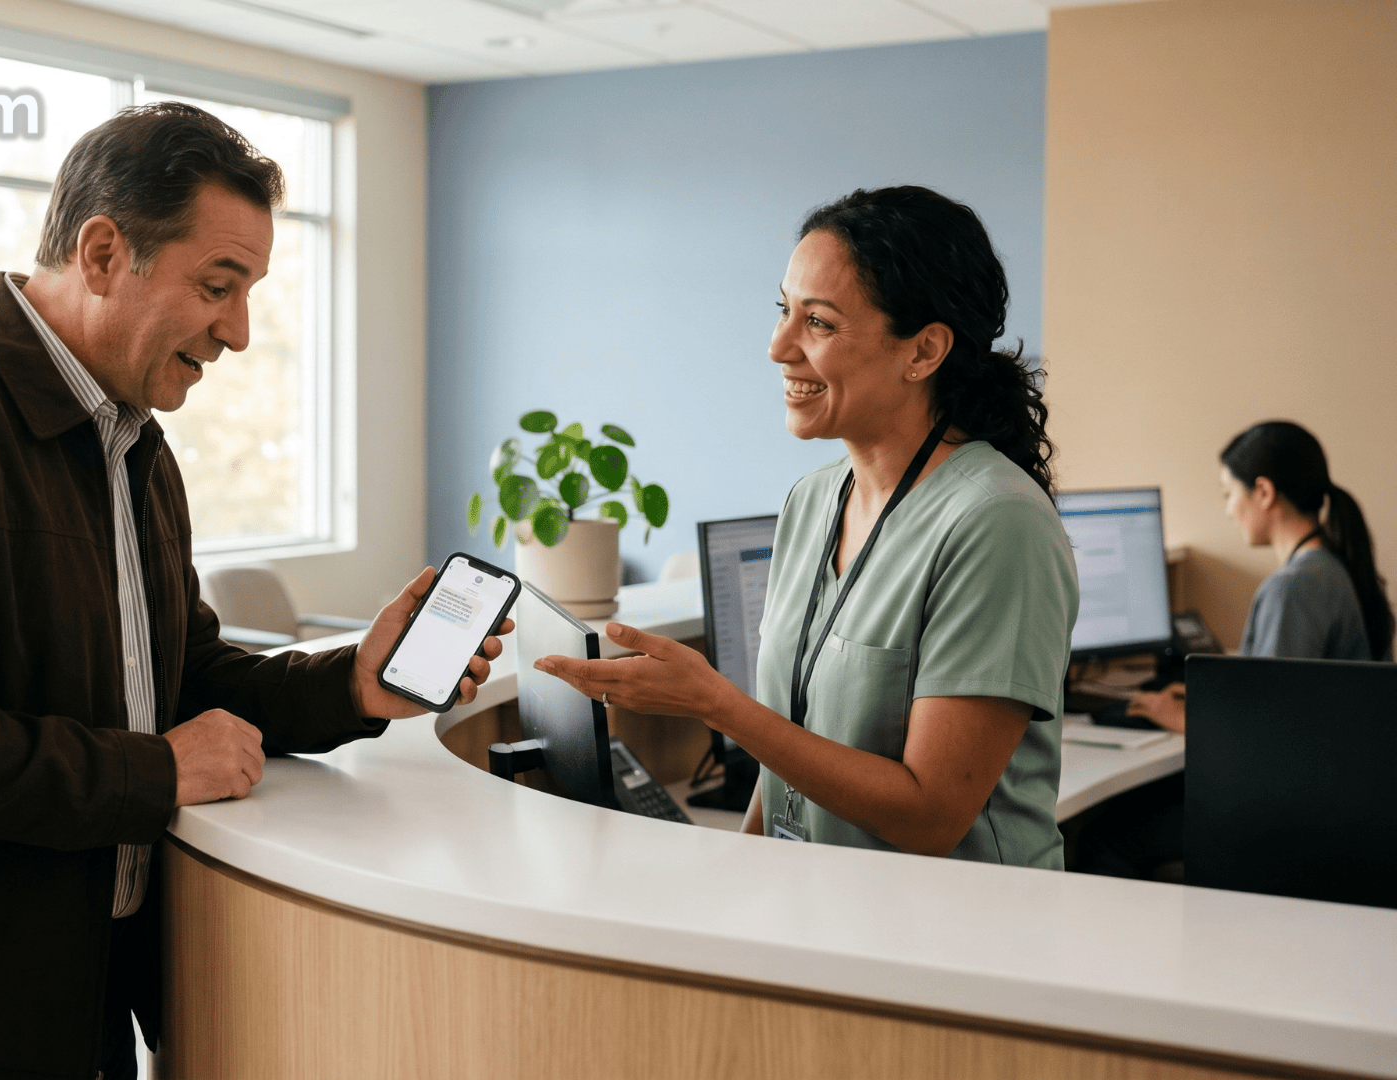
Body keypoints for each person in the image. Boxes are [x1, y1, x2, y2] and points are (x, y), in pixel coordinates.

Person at [0, 103, 510, 1080]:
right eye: (218, 286)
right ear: (103, 254)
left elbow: (176, 673)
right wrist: (154, 772)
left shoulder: (133, 443)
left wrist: (349, 684)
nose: (238, 332)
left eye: (248, 294)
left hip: (72, 990)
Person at [538, 186, 1077, 866]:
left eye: (818, 322)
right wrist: (743, 879)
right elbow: (787, 760)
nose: (778, 347)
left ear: (923, 351)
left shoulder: (997, 522)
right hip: (821, 907)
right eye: (783, 311)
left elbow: (932, 816)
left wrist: (719, 706)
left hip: (957, 921)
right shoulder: (812, 500)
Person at [1076, 421, 1390, 877]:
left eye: (1229, 494)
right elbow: (1290, 704)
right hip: (1330, 795)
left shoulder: (1294, 588)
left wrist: (1177, 718)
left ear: (1263, 492)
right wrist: (1209, 698)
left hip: (1289, 810)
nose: (1228, 511)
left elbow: (1264, 740)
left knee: (1106, 837)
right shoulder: (1331, 566)